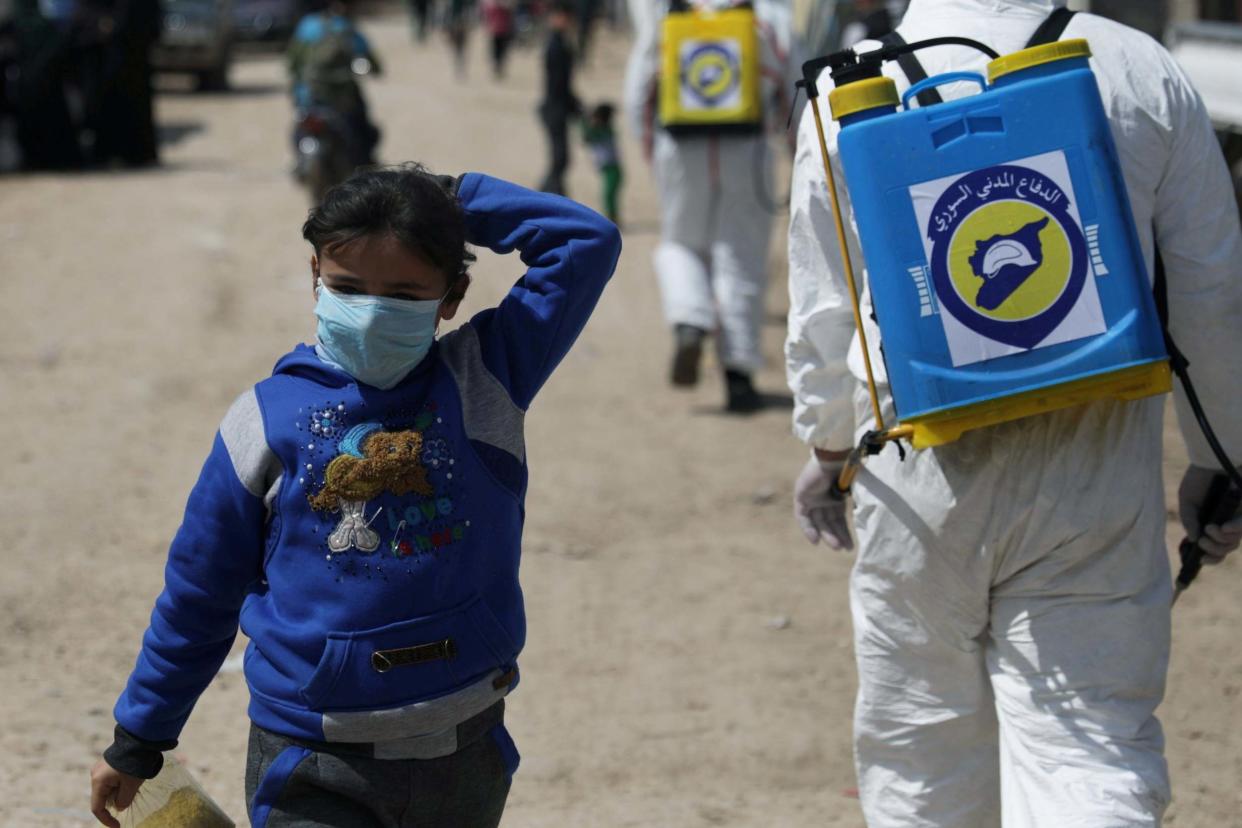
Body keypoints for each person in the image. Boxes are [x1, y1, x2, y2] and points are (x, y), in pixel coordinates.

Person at [785, 2, 1242, 826]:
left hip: (915, 468)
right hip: (1094, 460)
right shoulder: (1138, 67)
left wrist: (827, 450)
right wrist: (1224, 456)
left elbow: (824, 314)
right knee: (1089, 747)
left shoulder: (846, 92)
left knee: (923, 758)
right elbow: (1211, 292)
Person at [87, 165, 622, 828]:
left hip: (464, 749)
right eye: (347, 287)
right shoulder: (263, 421)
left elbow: (585, 242)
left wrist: (447, 199)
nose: (371, 311)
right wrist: (140, 736)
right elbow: (200, 592)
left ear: (451, 294)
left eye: (401, 293)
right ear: (315, 275)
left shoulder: (485, 378)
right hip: (313, 758)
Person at [625, 0, 793, 413]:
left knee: (680, 242)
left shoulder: (672, 14)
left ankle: (689, 317)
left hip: (680, 147)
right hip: (749, 149)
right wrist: (795, 151)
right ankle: (739, 377)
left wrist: (651, 150)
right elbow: (796, 92)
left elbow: (638, 92)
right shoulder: (769, 16)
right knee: (742, 256)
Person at [287, 0, 383, 167]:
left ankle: (299, 164)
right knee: (364, 132)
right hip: (343, 100)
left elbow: (292, 64)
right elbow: (374, 65)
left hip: (310, 96)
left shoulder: (307, 26)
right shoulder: (348, 29)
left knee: (300, 129)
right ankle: (366, 167)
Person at [537, 1, 579, 195]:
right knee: (560, 158)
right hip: (555, 108)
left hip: (559, 106)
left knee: (561, 159)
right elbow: (558, 84)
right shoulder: (555, 45)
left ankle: (553, 194)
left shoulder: (562, 42)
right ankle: (549, 195)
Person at [581, 102, 622, 224]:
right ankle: (612, 216)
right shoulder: (605, 129)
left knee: (608, 195)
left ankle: (612, 217)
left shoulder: (603, 131)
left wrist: (583, 120)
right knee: (609, 195)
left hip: (612, 168)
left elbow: (587, 137)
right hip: (610, 168)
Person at [481, 0, 514, 79]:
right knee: (496, 50)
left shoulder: (504, 5)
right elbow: (486, 16)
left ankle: (499, 66)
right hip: (496, 30)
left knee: (502, 50)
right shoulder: (491, 5)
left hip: (503, 30)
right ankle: (497, 66)